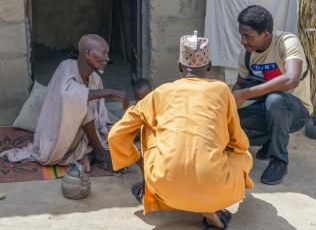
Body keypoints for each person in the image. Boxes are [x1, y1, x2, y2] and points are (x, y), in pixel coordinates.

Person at [108, 31, 254, 229]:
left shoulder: (160, 93)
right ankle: (209, 203)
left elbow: (117, 134)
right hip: (214, 186)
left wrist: (139, 162)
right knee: (243, 155)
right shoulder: (222, 91)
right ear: (209, 66)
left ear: (179, 67)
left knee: (148, 127)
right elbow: (238, 141)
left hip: (165, 187)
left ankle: (151, 185)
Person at [2, 34, 128, 172]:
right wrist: (110, 92)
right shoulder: (66, 66)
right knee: (81, 107)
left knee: (121, 133)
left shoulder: (95, 79)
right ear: (87, 54)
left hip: (81, 135)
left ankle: (87, 154)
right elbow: (71, 95)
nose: (107, 59)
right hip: (58, 134)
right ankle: (100, 156)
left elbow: (100, 118)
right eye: (104, 53)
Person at [233, 5, 313, 185]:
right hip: (266, 109)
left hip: (296, 112)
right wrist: (230, 102)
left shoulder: (287, 42)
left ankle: (279, 161)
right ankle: (269, 141)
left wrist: (245, 93)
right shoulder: (246, 54)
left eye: (249, 36)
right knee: (228, 118)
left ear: (266, 35)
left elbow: (291, 79)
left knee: (275, 100)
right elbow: (240, 84)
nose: (243, 41)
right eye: (242, 35)